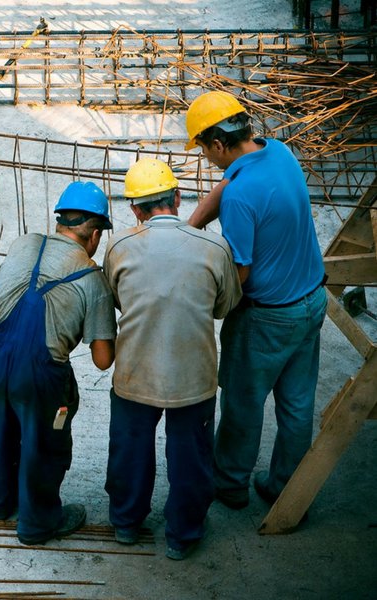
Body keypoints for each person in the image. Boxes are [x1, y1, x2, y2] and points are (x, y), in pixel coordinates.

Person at [184, 90, 327, 511]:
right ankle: (285, 486)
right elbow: (226, 185)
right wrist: (188, 230)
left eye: (204, 150)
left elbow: (239, 274)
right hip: (311, 301)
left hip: (267, 317)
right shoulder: (278, 152)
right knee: (298, 404)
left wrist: (208, 303)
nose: (206, 159)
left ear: (217, 144)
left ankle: (229, 485)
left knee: (243, 404)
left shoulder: (242, 198)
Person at [103, 158, 242, 560]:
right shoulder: (215, 247)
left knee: (129, 450)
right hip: (192, 377)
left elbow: (117, 299)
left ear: (134, 210)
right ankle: (183, 534)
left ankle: (126, 523)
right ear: (178, 198)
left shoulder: (119, 246)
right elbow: (224, 306)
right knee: (191, 457)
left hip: (135, 374)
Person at [0, 181, 117, 546]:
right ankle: (37, 525)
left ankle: (0, 503)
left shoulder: (23, 243)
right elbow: (103, 361)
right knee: (44, 444)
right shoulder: (92, 278)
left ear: (60, 221)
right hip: (40, 374)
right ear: (95, 235)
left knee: (2, 428)